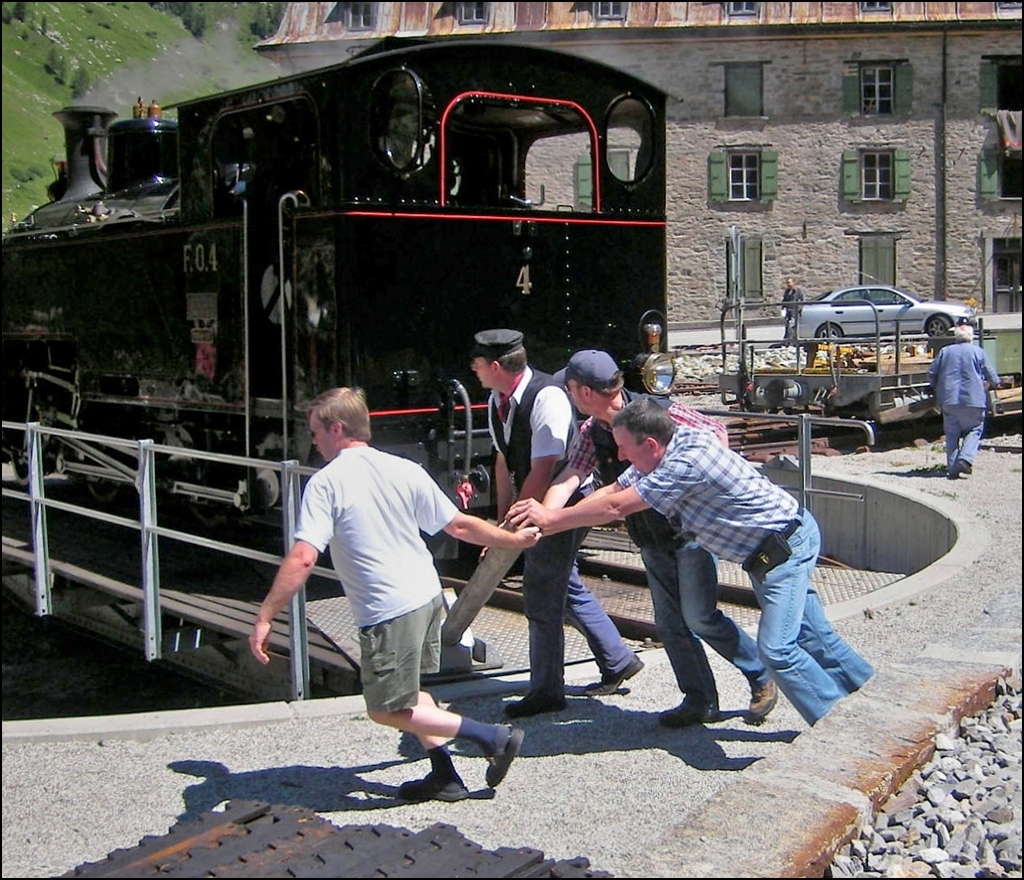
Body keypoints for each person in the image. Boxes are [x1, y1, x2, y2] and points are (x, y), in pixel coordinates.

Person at [249, 387, 540, 803]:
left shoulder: (326, 483)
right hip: (426, 596)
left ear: (336, 429)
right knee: (412, 694)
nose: (312, 440)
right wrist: (511, 540)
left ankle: (491, 737)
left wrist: (265, 616)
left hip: (388, 610)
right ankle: (445, 776)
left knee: (384, 709)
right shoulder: (404, 468)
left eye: (315, 431)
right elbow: (458, 525)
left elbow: (303, 558)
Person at [508, 397, 875, 727]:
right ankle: (877, 702)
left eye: (623, 447)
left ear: (650, 444)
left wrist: (551, 521)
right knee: (814, 636)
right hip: (768, 552)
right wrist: (550, 517)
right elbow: (614, 490)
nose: (619, 455)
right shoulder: (668, 448)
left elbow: (616, 507)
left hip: (784, 550)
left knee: (777, 650)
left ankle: (839, 731)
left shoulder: (685, 463)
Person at [540, 350, 777, 726]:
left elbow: (715, 434)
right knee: (669, 623)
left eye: (569, 387)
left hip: (689, 533)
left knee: (699, 617)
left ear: (585, 392)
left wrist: (693, 487)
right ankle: (700, 701)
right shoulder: (592, 431)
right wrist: (546, 516)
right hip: (649, 537)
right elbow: (573, 475)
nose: (567, 395)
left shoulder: (657, 412)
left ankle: (761, 676)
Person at [469, 329, 643, 718]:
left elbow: (545, 470)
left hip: (566, 499)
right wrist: (501, 524)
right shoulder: (497, 401)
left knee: (540, 591)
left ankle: (547, 689)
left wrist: (512, 530)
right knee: (561, 580)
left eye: (477, 363)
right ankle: (617, 658)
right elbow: (503, 463)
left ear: (495, 367)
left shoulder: (546, 397)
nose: (472, 369)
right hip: (538, 501)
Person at [928, 318, 1001, 480]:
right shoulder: (978, 352)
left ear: (956, 336)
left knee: (952, 435)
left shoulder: (945, 351)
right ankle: (965, 459)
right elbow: (991, 375)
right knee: (974, 430)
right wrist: (995, 383)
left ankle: (953, 470)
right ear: (971, 337)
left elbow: (932, 373)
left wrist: (936, 387)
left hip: (949, 400)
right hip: (974, 400)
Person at [782, 277, 805, 341]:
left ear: (793, 283)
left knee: (792, 326)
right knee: (787, 326)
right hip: (788, 311)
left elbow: (803, 300)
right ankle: (787, 340)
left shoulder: (798, 290)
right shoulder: (787, 291)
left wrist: (799, 308)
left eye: (789, 283)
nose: (788, 284)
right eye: (787, 283)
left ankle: (792, 340)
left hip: (795, 311)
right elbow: (784, 300)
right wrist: (783, 308)